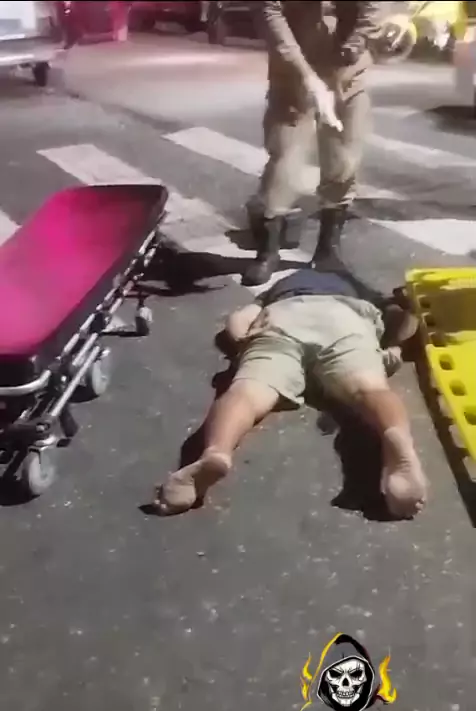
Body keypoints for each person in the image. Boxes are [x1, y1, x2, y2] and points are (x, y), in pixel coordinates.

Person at [155, 267, 427, 520]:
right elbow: (404, 317)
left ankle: (217, 452)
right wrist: (395, 347)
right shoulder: (357, 289)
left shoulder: (276, 291)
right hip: (345, 317)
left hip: (284, 316)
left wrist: (243, 344)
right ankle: (397, 439)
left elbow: (238, 319)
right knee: (369, 389)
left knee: (248, 391)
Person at [243, 0, 384, 288]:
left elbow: (374, 7)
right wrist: (307, 77)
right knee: (285, 159)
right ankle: (268, 251)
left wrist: (355, 45)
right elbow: (270, 14)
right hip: (293, 75)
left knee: (344, 160)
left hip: (348, 76)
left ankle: (328, 251)